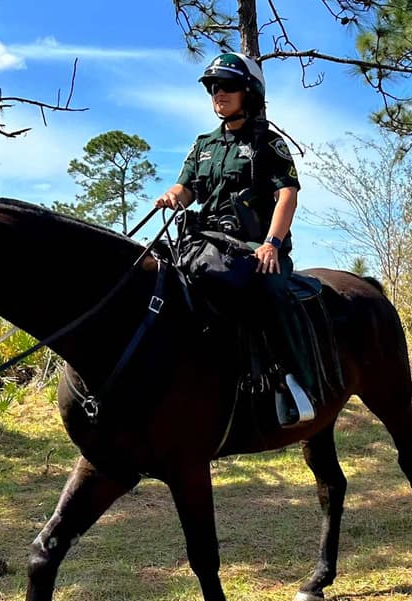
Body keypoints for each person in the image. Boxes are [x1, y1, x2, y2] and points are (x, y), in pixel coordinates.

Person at [155, 52, 314, 425]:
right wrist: (173, 196)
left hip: (254, 248)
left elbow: (287, 194)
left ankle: (292, 383)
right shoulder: (202, 144)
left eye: (227, 86)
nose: (218, 94)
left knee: (270, 293)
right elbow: (187, 187)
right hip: (205, 242)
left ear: (249, 92)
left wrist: (272, 244)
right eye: (213, 87)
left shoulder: (268, 144)